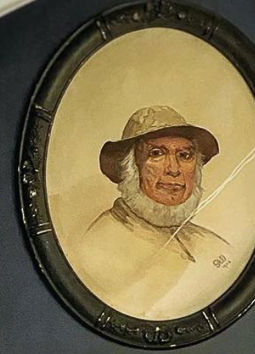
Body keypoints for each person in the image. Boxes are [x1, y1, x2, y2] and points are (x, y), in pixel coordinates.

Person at [75, 106, 231, 320]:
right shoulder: (98, 247)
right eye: (156, 154)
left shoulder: (213, 245)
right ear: (130, 166)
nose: (173, 169)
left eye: (185, 155)